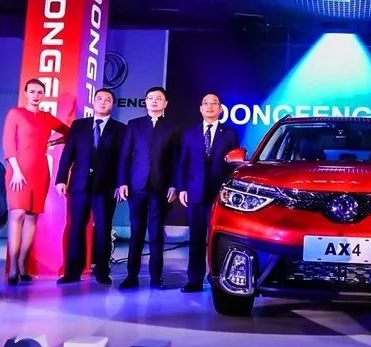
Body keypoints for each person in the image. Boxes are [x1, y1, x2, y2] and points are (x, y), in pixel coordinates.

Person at [55, 89, 127, 285]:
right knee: (76, 227)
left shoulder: (120, 129)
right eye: (99, 99)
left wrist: (121, 183)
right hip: (79, 185)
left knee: (103, 229)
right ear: (93, 102)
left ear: (112, 104)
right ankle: (72, 272)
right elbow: (68, 154)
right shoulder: (79, 126)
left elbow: (123, 160)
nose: (102, 102)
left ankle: (102, 271)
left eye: (107, 100)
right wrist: (61, 179)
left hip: (106, 187)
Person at [1, 78, 69, 285]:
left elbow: (69, 132)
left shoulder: (47, 117)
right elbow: (8, 143)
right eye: (32, 91)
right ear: (25, 93)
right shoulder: (15, 113)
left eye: (39, 92)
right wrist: (16, 170)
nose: (36, 95)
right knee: (17, 214)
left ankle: (23, 264)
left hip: (40, 172)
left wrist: (54, 142)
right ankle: (13, 266)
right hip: (17, 171)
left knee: (32, 218)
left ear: (43, 95)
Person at [116, 86, 182, 290]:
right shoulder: (134, 125)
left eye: (158, 98)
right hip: (137, 186)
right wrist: (122, 182)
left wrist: (174, 185)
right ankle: (131, 277)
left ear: (165, 103)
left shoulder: (172, 127)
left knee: (156, 235)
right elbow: (124, 156)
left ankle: (156, 278)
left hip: (160, 187)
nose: (154, 101)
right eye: (150, 98)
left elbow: (177, 160)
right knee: (136, 233)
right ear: (145, 102)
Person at [177, 92, 240, 293]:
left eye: (214, 103)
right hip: (195, 192)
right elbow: (182, 162)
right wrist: (182, 188)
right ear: (200, 108)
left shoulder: (230, 134)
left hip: (219, 195)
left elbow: (234, 165)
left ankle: (219, 280)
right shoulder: (190, 133)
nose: (210, 106)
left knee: (218, 239)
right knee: (196, 238)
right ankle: (194, 280)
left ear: (220, 109)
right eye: (206, 103)